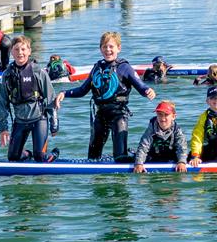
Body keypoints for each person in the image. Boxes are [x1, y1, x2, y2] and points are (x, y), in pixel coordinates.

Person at [55, 31, 156, 162]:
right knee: (92, 157)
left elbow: (140, 86)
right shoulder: (97, 67)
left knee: (120, 158)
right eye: (104, 47)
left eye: (111, 46)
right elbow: (82, 90)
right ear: (100, 49)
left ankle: (131, 159)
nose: (108, 50)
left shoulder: (124, 67)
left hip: (119, 114)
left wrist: (148, 91)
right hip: (100, 114)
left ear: (118, 48)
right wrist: (64, 93)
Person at [0, 35, 60, 162]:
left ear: (29, 51)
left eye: (23, 49)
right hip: (20, 121)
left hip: (39, 120)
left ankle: (53, 154)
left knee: (41, 158)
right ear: (11, 52)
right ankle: (28, 153)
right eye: (16, 50)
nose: (20, 53)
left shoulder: (38, 72)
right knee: (13, 158)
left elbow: (51, 98)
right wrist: (3, 128)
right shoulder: (7, 75)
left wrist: (54, 124)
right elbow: (3, 103)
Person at [134, 100, 187, 173]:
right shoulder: (151, 129)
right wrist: (139, 163)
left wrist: (182, 162)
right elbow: (143, 147)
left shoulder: (177, 130)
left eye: (166, 114)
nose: (163, 118)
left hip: (172, 158)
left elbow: (182, 147)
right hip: (153, 158)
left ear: (173, 116)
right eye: (160, 114)